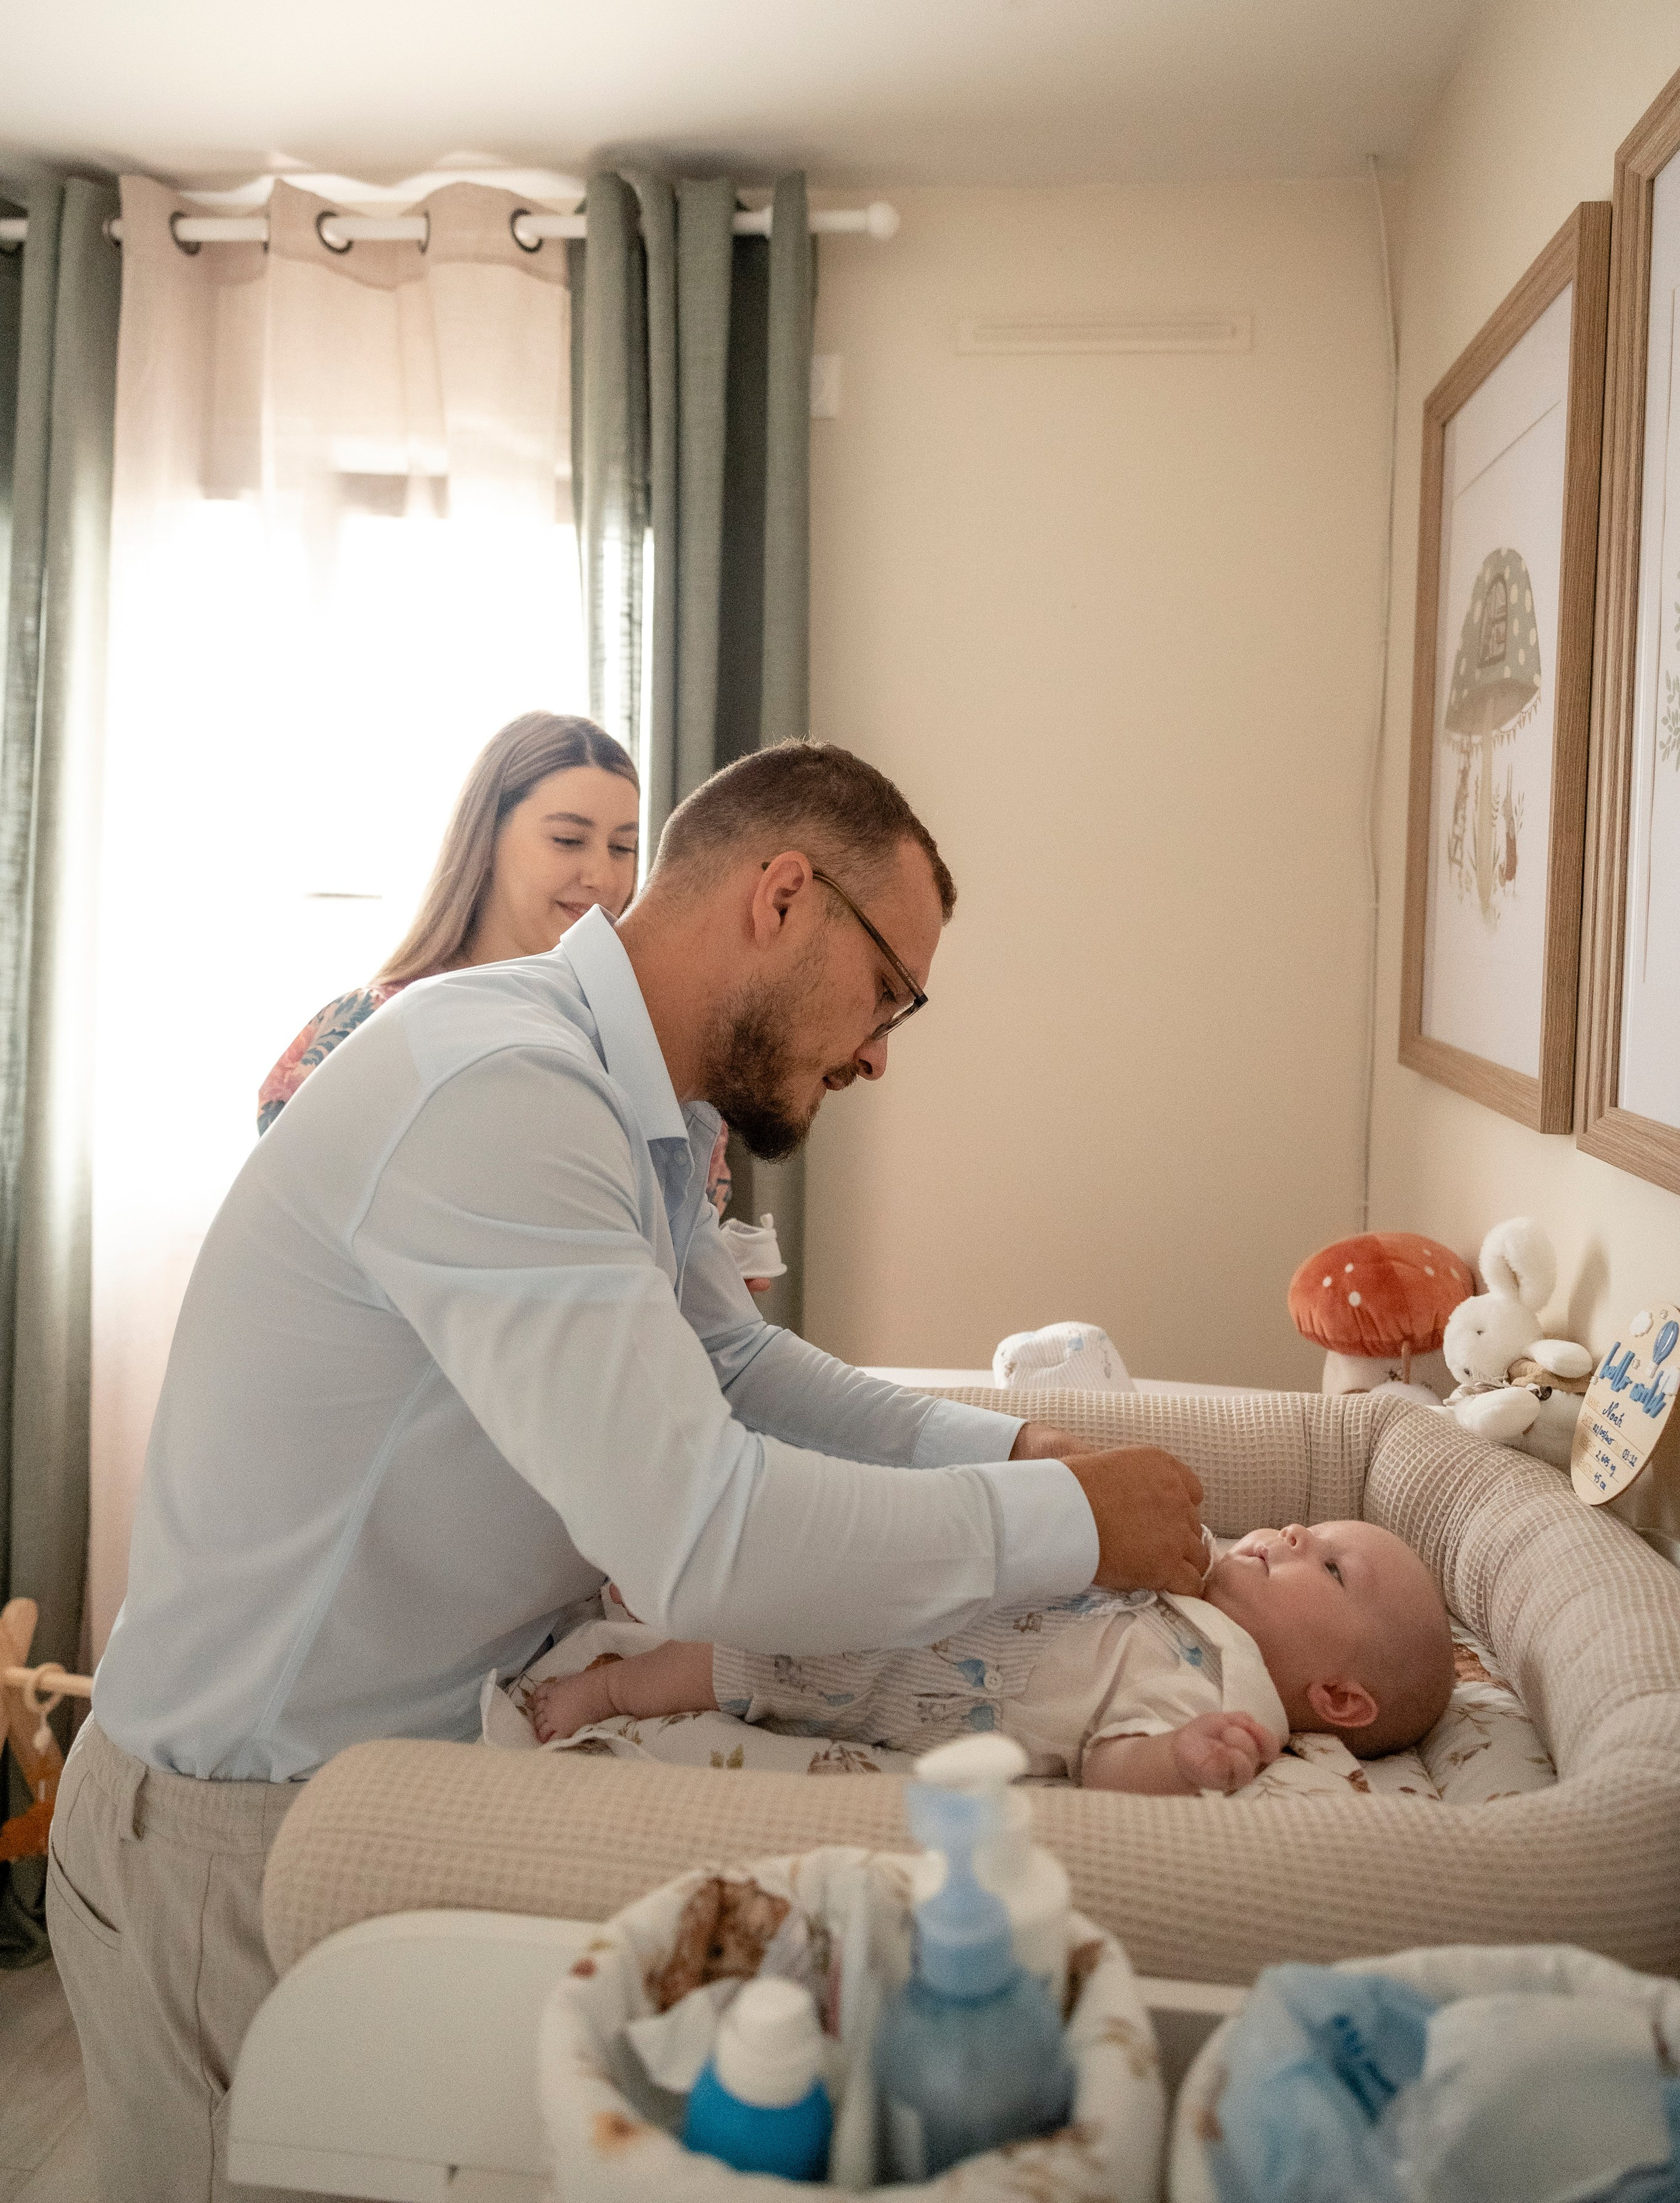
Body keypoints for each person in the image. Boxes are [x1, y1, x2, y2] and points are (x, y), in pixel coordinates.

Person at [51, 736, 1209, 2203]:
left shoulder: (632, 1106)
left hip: (396, 1776)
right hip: (231, 1824)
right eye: (888, 994)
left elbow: (733, 1367)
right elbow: (700, 1536)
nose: (877, 1052)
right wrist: (1063, 1524)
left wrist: (1013, 1447)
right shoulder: (498, 1089)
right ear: (781, 897)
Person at [529, 1518, 1456, 1792]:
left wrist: (1180, 1762)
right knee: (775, 1568)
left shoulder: (1224, 1694)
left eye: (1330, 1565)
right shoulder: (1195, 1555)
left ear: (1337, 1698)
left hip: (887, 1680)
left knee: (729, 1664)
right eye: (1311, 1530)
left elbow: (1110, 1768)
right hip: (918, 1570)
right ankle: (646, 1573)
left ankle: (612, 1691)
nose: (1295, 1532)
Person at [257, 709, 641, 1131]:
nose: (602, 878)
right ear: (486, 839)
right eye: (567, 840)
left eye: (623, 847)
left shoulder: (636, 1049)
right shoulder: (373, 1028)